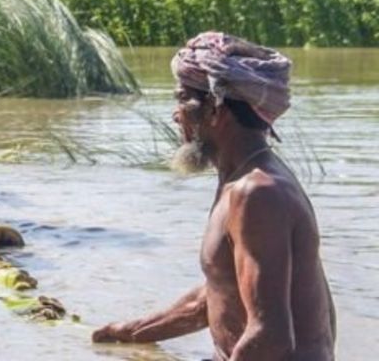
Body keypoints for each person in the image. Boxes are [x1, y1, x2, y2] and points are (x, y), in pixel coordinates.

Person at [93, 32, 336, 361]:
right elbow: (220, 293)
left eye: (182, 99)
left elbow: (272, 337)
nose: (176, 116)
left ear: (214, 110)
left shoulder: (257, 194)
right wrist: (133, 332)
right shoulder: (243, 181)